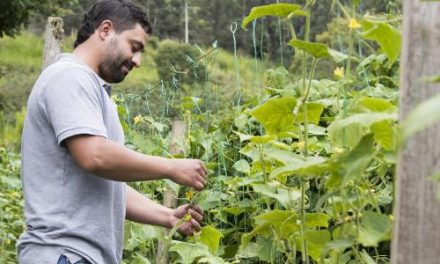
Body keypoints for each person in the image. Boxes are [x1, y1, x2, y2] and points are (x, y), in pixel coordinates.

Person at [17, 1, 207, 263]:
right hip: (65, 253)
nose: (138, 61)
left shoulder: (91, 88)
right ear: (106, 30)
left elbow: (108, 188)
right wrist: (171, 168)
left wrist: (167, 216)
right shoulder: (69, 76)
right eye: (134, 47)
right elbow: (94, 156)